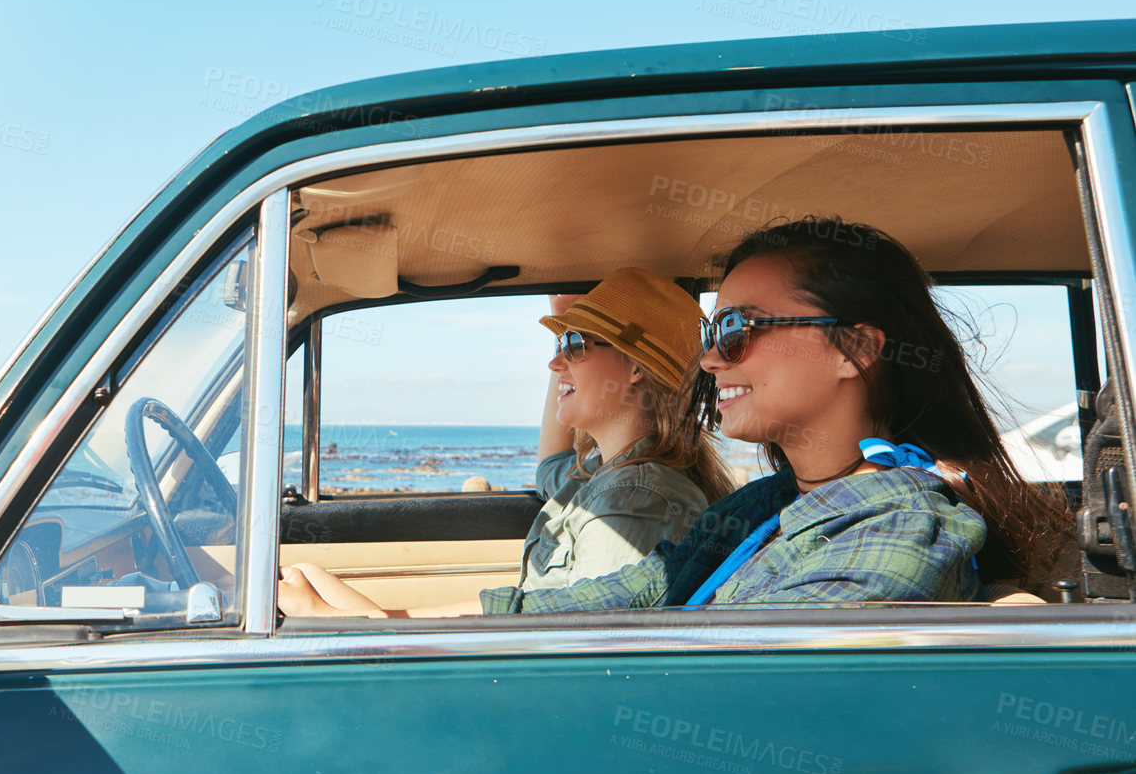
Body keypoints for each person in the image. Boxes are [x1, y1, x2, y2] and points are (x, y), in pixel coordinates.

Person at [279, 216, 1069, 618]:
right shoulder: (772, 503)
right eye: (711, 334)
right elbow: (628, 593)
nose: (712, 360)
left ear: (853, 348)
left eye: (738, 330)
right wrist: (389, 620)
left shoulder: (898, 530)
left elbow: (741, 700)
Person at [280, 267, 736, 617]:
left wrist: (375, 622)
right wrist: (374, 619)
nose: (555, 364)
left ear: (637, 367)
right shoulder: (605, 472)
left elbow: (577, 638)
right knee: (307, 577)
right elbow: (549, 467)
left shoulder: (639, 496)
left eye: (574, 344)